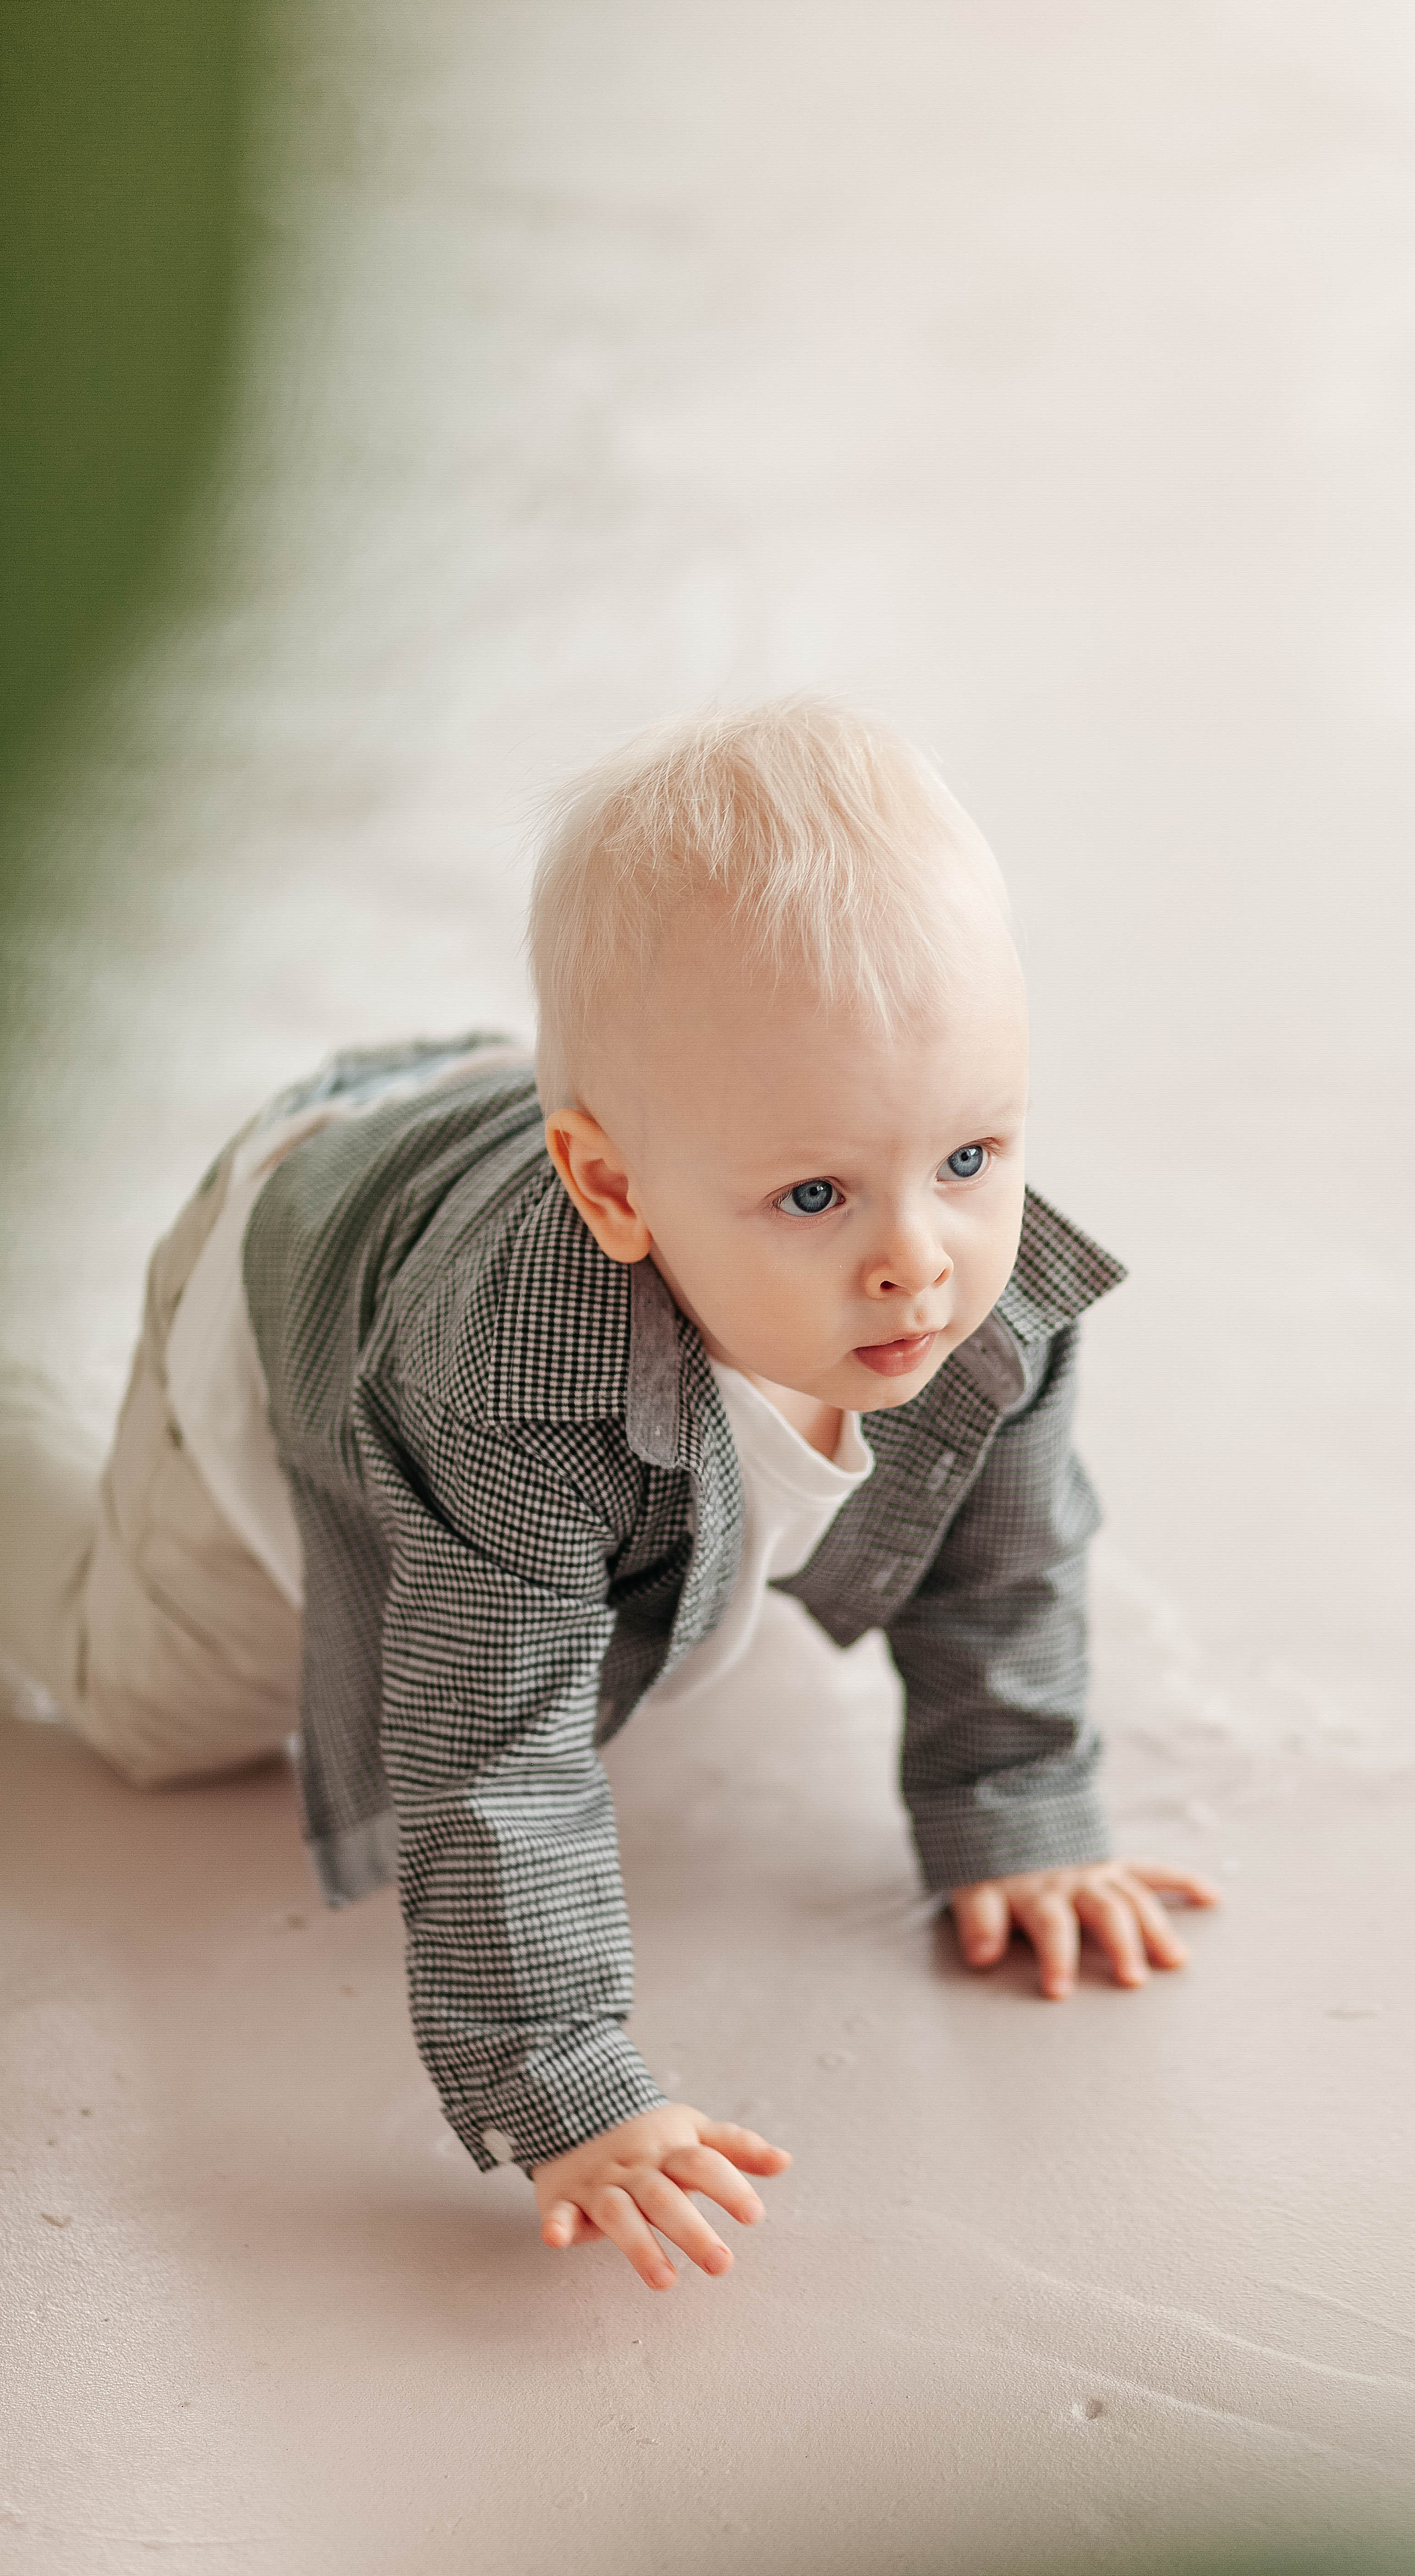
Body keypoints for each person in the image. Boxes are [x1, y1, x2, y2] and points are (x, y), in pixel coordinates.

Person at [0, 699, 1218, 2292]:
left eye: (973, 1154)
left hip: (557, 1126)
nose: (920, 1254)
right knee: (157, 1717)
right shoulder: (503, 1388)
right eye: (815, 1193)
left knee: (692, 1527)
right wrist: (561, 2080)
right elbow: (488, 1747)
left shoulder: (955, 1280)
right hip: (291, 1278)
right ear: (615, 1192)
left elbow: (1005, 1559)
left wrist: (1012, 1809)